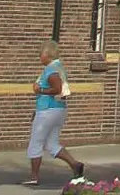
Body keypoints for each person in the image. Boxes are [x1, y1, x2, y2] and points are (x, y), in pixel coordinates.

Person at [26, 45, 84, 185]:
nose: (40, 56)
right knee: (51, 144)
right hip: (58, 109)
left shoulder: (51, 70)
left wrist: (40, 90)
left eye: (42, 53)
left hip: (48, 110)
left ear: (48, 55)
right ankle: (75, 165)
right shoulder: (59, 67)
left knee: (35, 143)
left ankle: (34, 177)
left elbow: (57, 89)